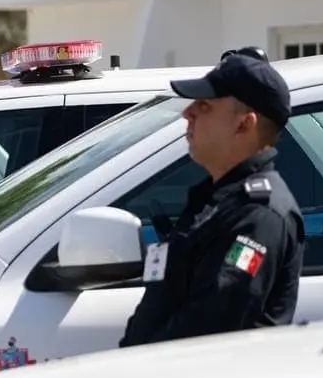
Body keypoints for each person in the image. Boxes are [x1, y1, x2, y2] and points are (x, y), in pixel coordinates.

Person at [120, 48, 305, 348]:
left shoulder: (259, 216)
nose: (187, 112)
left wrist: (143, 371)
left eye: (205, 106)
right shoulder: (216, 201)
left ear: (244, 124)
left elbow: (210, 325)